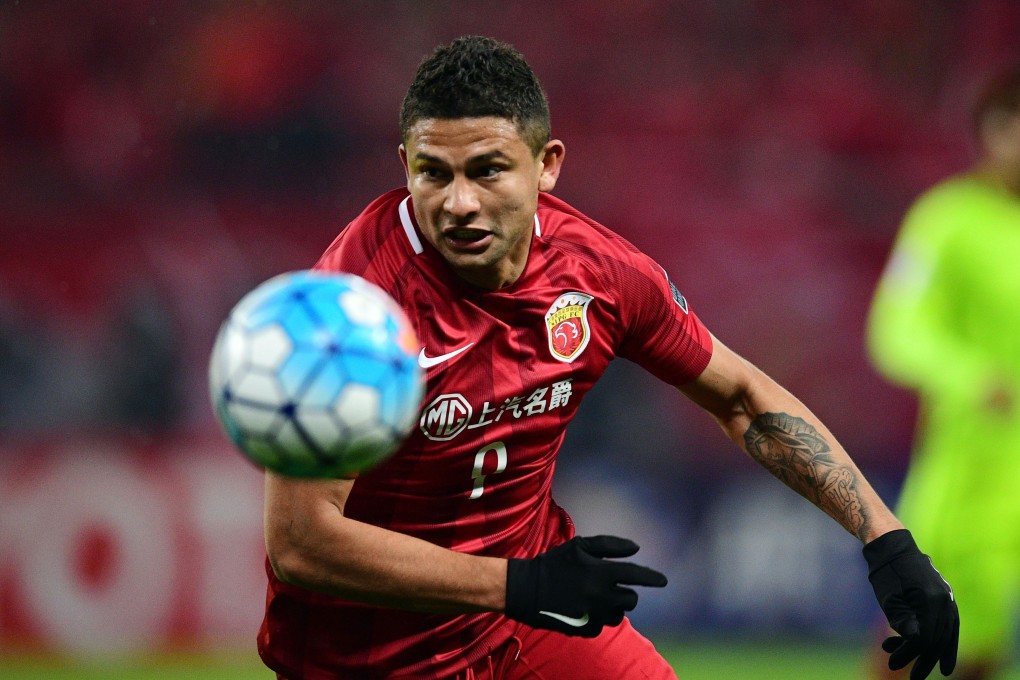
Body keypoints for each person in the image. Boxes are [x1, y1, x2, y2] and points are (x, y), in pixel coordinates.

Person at [259, 35, 959, 680]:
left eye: (488, 170)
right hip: (361, 656)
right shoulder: (348, 315)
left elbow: (741, 396)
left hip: (523, 626)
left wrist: (885, 538)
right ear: (404, 166)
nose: (459, 204)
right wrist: (519, 582)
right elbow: (301, 541)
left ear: (548, 166)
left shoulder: (598, 273)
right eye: (433, 174)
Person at [866, 65, 1020, 680]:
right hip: (973, 462)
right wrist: (973, 378)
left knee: (985, 644)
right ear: (994, 131)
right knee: (933, 628)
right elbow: (896, 329)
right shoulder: (947, 219)